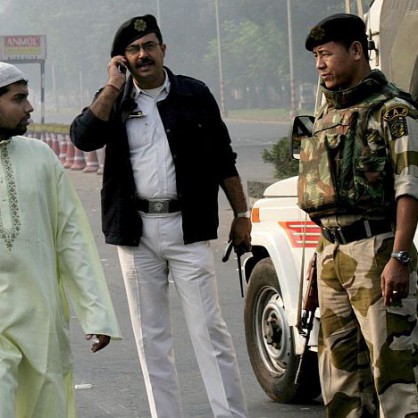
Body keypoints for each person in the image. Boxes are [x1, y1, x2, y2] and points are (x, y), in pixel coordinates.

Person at [70, 14, 251, 418]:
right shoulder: (114, 100)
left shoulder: (194, 94)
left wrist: (242, 213)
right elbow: (83, 138)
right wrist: (114, 86)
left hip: (188, 229)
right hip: (136, 233)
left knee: (210, 331)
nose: (142, 54)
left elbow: (224, 158)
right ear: (122, 59)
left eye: (149, 46)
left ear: (163, 49)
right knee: (151, 339)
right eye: (133, 50)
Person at [298, 13, 418, 418]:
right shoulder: (326, 116)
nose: (320, 64)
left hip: (377, 251)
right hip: (333, 254)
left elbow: (409, 187)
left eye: (326, 54)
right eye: (316, 56)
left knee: (394, 373)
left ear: (356, 51)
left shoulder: (393, 111)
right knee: (340, 378)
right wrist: (321, 258)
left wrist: (399, 257)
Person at [0, 62, 122, 418]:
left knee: (45, 406)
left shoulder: (41, 158)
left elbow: (72, 240)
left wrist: (95, 313)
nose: (29, 107)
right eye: (18, 99)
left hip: (40, 316)